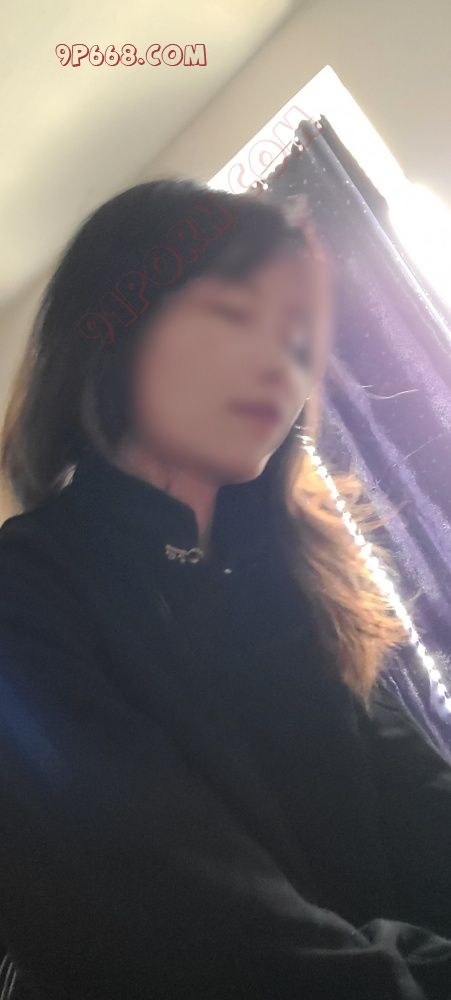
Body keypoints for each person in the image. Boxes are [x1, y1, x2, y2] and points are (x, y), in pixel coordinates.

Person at [0, 177, 450, 1000]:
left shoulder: (294, 570)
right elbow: (186, 923)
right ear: (116, 334)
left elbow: (419, 803)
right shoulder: (23, 592)